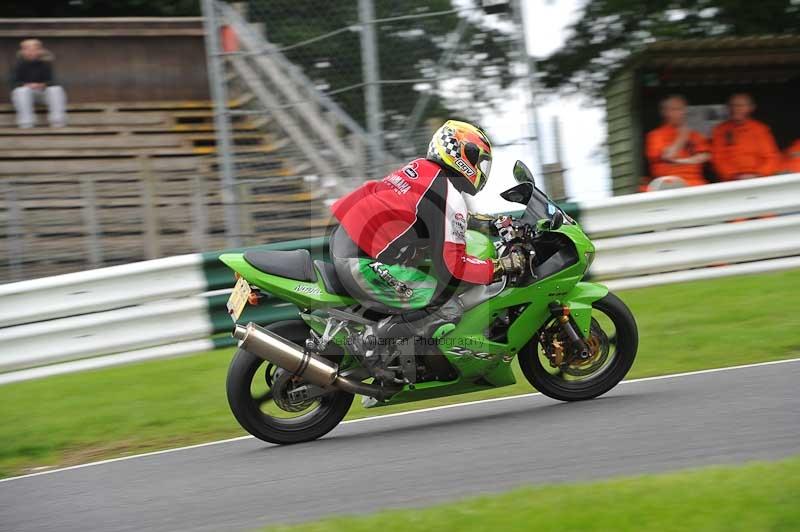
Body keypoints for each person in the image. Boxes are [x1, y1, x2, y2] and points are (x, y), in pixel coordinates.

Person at [329, 120, 525, 338]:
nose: (481, 170)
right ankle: (372, 344)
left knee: (423, 276)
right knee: (443, 302)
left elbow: (436, 218)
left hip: (345, 242)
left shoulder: (423, 169)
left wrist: (491, 223)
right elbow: (453, 269)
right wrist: (499, 267)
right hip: (362, 263)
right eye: (479, 161)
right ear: (463, 154)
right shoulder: (448, 192)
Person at [644, 95, 710, 189]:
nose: (679, 113)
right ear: (664, 112)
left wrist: (682, 161)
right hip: (668, 183)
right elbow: (668, 155)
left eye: (681, 109)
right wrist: (682, 137)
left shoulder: (694, 135)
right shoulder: (655, 135)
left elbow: (705, 155)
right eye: (674, 109)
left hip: (695, 182)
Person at [711, 93, 780, 181]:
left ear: (751, 108)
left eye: (740, 106)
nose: (735, 109)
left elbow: (772, 157)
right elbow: (718, 158)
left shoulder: (760, 129)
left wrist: (759, 174)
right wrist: (734, 176)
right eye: (732, 106)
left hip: (760, 179)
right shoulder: (720, 130)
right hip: (732, 181)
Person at [9, 39, 67, 128]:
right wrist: (27, 85)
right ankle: (26, 123)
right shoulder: (17, 65)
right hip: (26, 94)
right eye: (28, 49)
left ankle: (58, 121)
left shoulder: (46, 64)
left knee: (56, 90)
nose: (31, 52)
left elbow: (53, 81)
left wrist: (42, 85)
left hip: (42, 93)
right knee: (21, 91)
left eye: (34, 49)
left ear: (40, 51)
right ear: (23, 51)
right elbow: (13, 83)